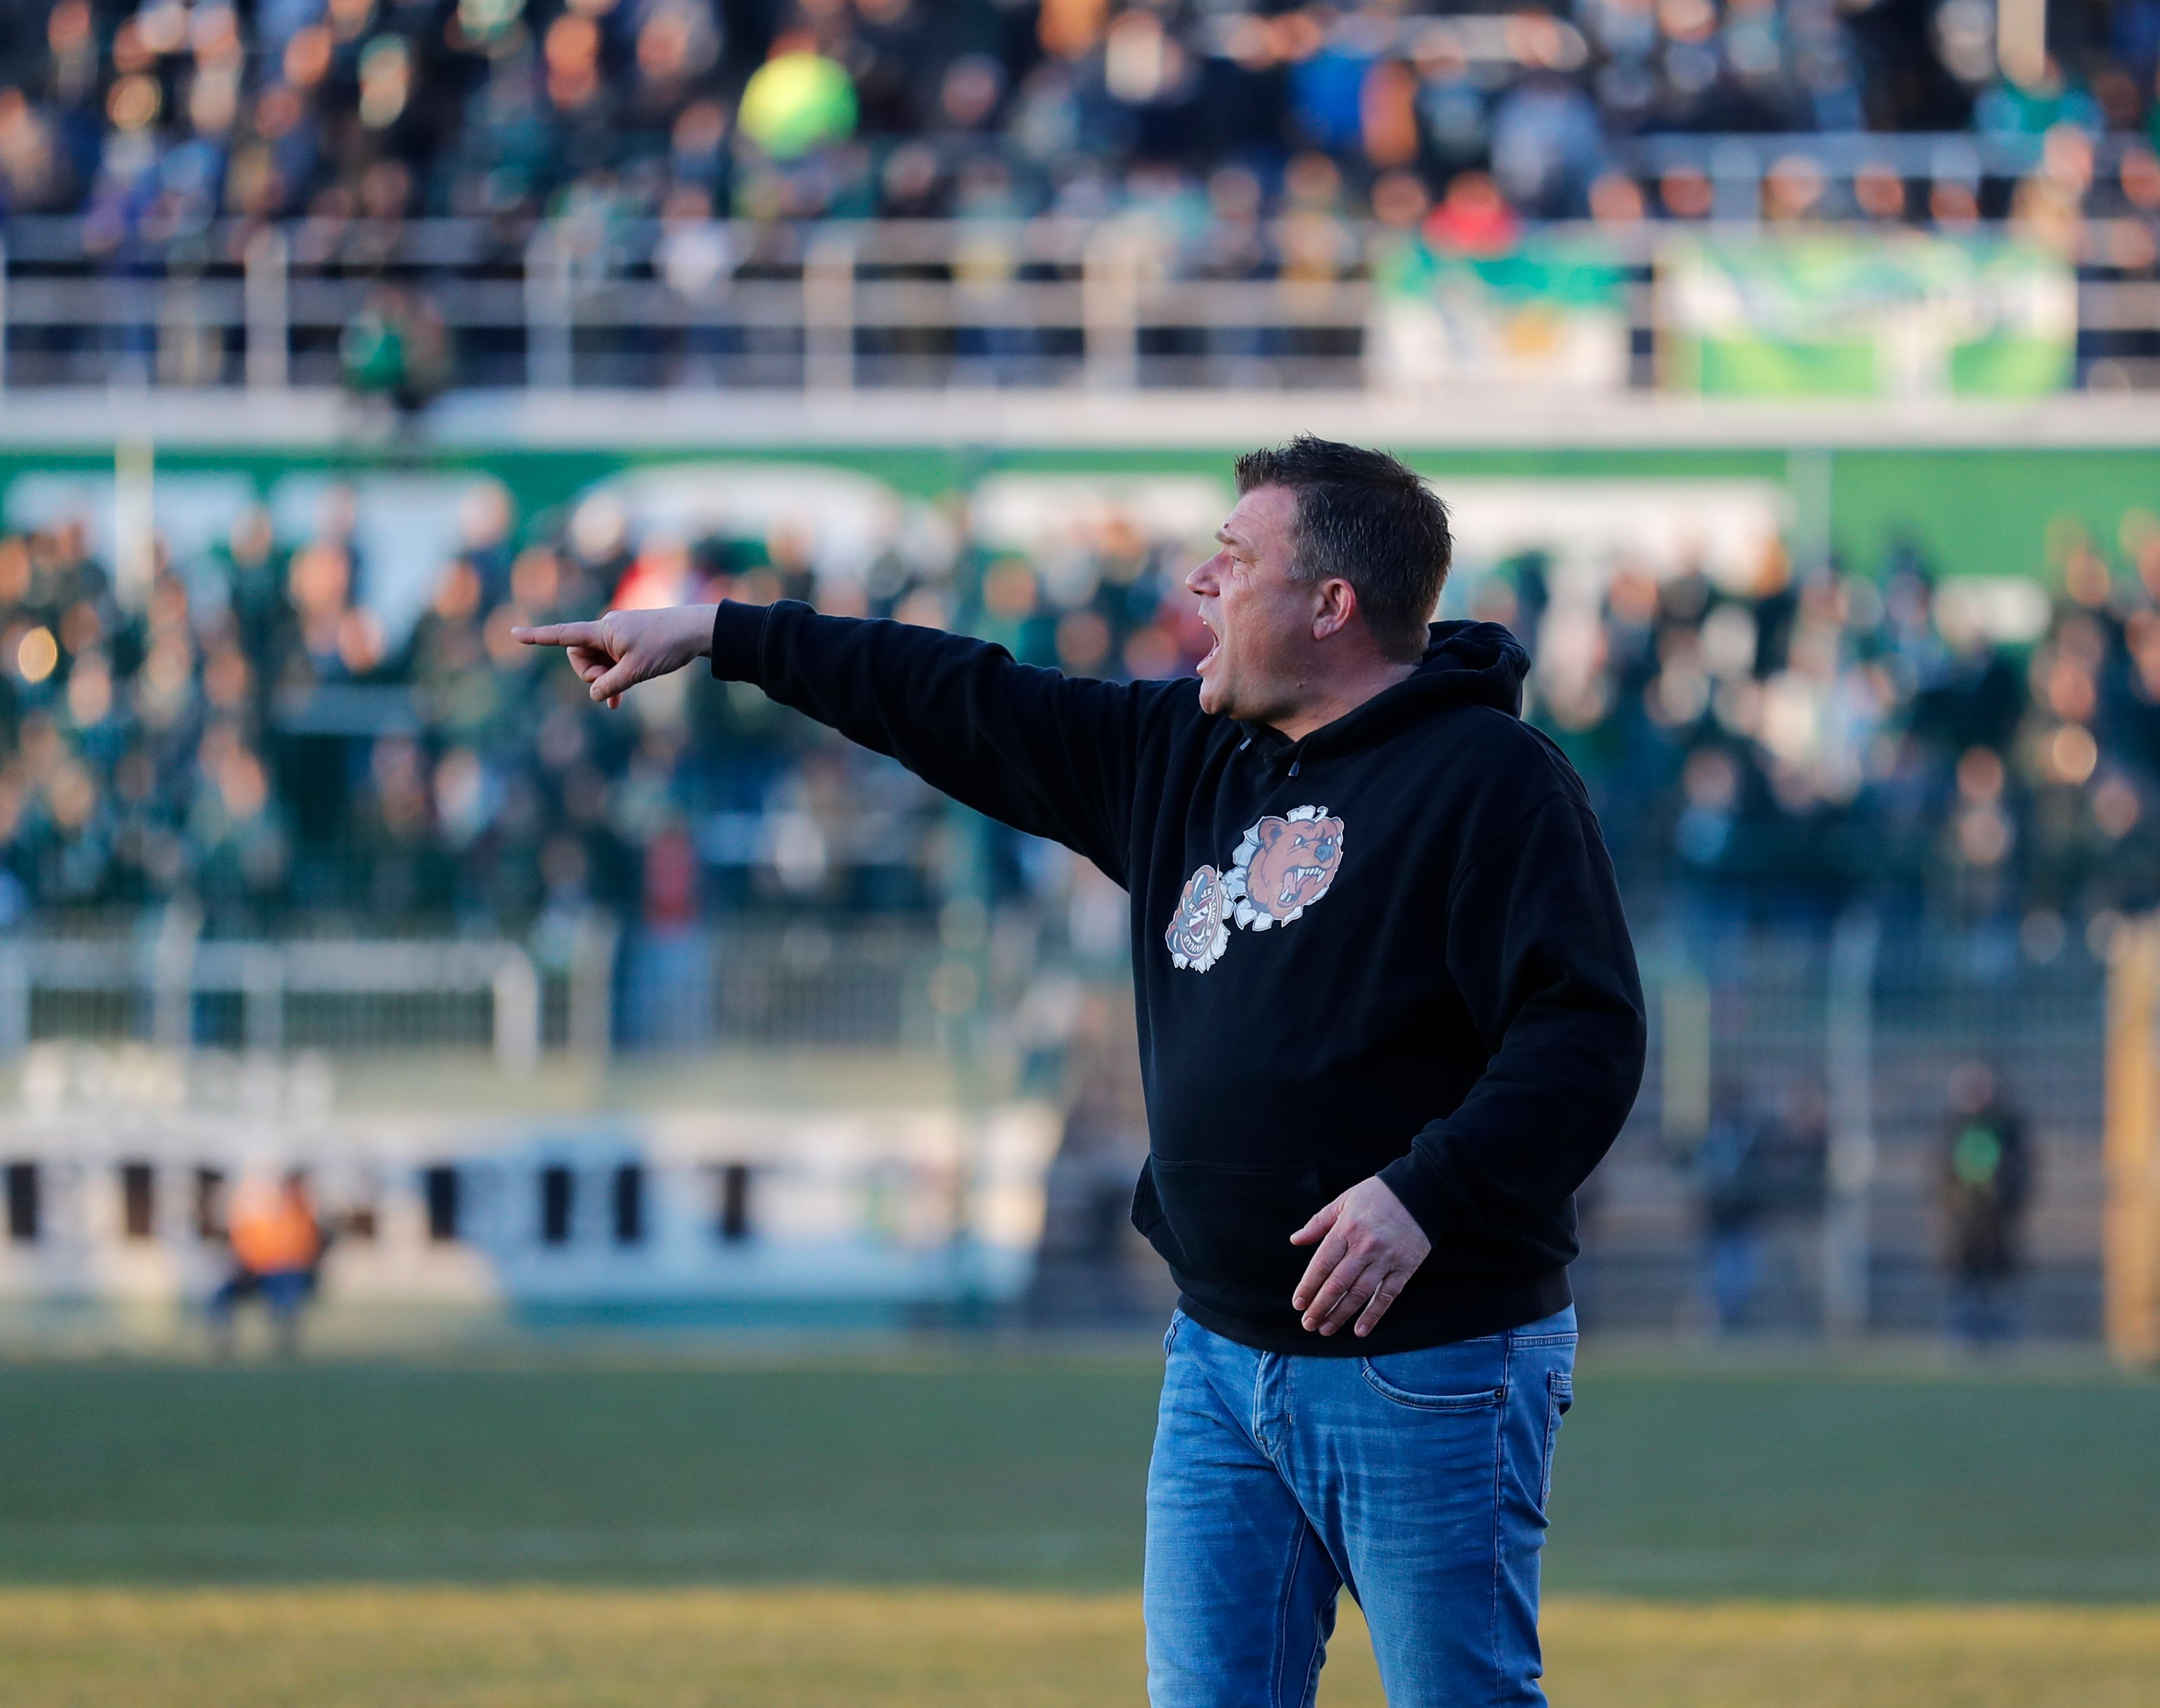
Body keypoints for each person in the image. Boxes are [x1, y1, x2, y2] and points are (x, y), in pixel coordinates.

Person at [516, 438, 1646, 1707]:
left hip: (1428, 1360)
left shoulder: (1491, 780)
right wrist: (723, 632)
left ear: (1332, 605)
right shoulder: (1183, 752)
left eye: (1234, 559)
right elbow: (961, 697)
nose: (1199, 586)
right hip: (1219, 1354)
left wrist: (1426, 1193)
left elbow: (1585, 1037)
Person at [1940, 1061, 2032, 1346]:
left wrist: (2000, 1195)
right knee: (1965, 1281)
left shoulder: (2007, 1127)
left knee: (1999, 1283)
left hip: (1997, 1222)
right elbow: (1943, 1175)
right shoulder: (1955, 1127)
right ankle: (1963, 1341)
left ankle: (2002, 1343)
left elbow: (2021, 1172)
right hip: (1965, 1224)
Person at [210, 1168, 325, 1359]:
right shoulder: (253, 1218)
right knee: (220, 1296)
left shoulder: (299, 1215)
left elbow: (305, 1251)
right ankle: (223, 1342)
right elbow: (244, 1250)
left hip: (285, 1273)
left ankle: (285, 1339)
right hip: (256, 1273)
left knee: (286, 1289)